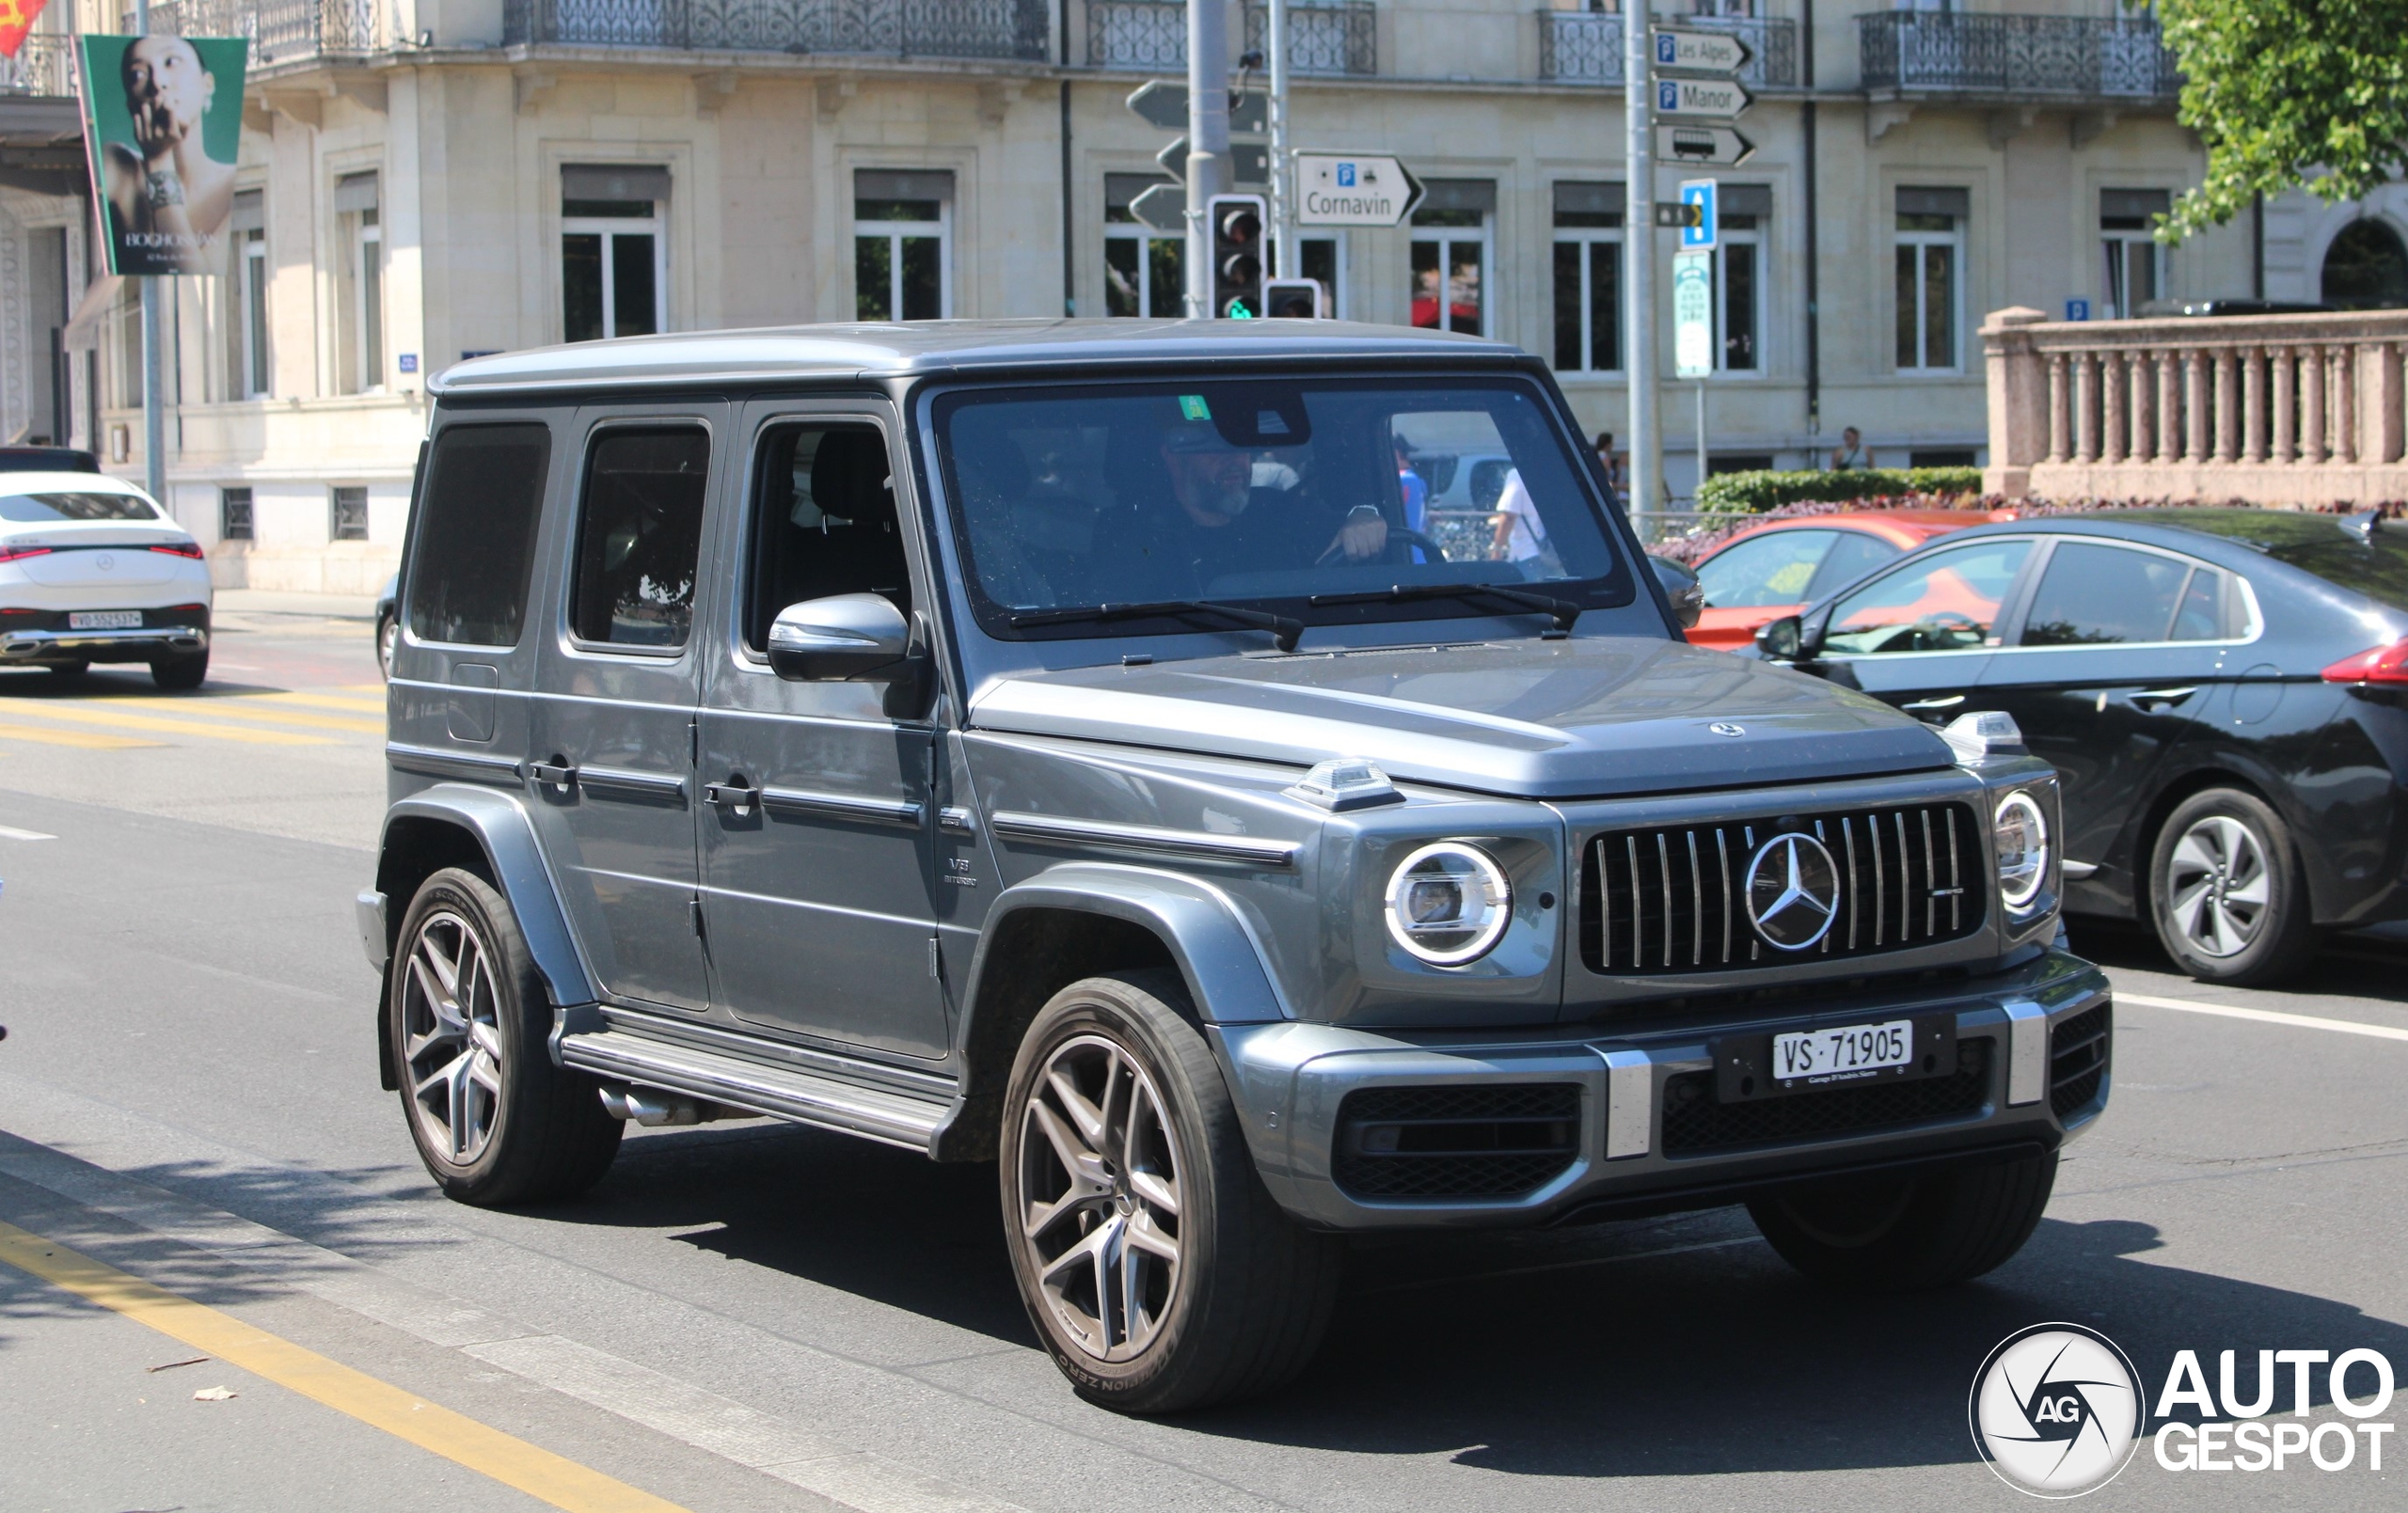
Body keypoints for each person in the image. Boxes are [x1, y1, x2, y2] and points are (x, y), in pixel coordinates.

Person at [1136, 419, 1386, 593]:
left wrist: (1363, 515)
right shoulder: (1144, 540)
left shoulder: (1278, 510)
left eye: (1241, 447)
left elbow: (1349, 528)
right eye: (1215, 448)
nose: (1235, 459)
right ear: (1173, 458)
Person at [101, 35, 236, 276]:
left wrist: (160, 164)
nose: (157, 82)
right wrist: (156, 161)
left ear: (208, 84)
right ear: (131, 104)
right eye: (138, 74)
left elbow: (194, 286)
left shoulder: (233, 184)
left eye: (171, 62)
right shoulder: (115, 165)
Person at [1490, 466, 1546, 565]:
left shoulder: (1517, 475)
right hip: (1551, 552)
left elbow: (1509, 516)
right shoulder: (1550, 473)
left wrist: (1497, 550)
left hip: (1526, 552)